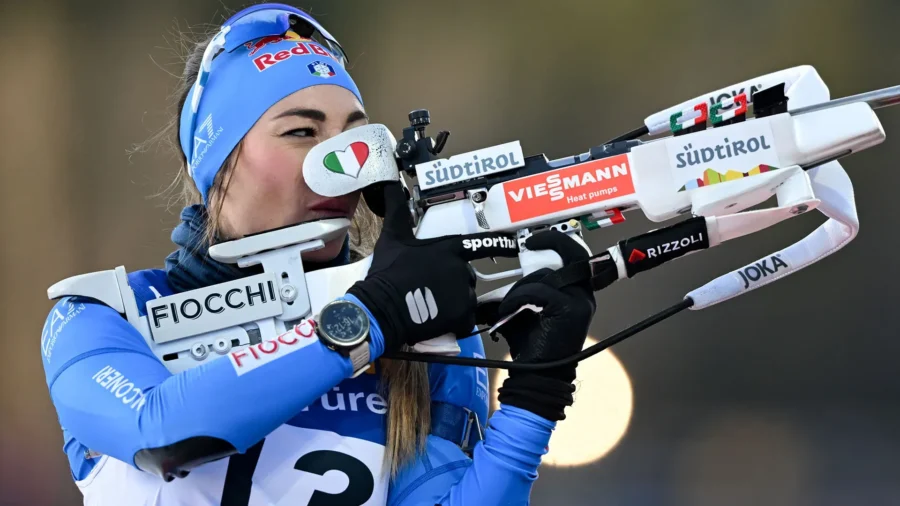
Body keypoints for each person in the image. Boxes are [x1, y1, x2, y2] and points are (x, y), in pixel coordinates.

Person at [39, 4, 597, 505]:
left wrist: (534, 397)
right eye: (302, 131)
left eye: (355, 135)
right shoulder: (105, 314)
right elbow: (162, 434)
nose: (340, 160)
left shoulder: (416, 330)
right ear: (216, 165)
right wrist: (371, 316)